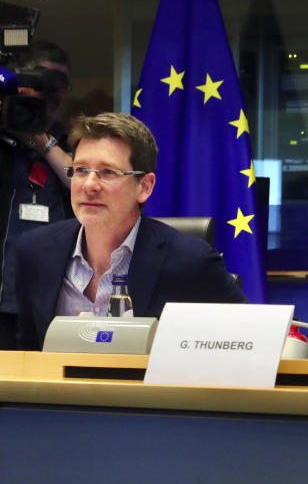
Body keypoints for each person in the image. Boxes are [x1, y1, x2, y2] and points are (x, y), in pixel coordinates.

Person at [15, 112, 247, 350]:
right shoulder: (36, 252)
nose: (89, 185)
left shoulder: (191, 262)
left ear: (144, 187)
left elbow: (253, 337)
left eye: (108, 172)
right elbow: (28, 352)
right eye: (81, 170)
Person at [0, 41, 75, 348]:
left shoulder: (66, 140)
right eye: (44, 82)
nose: (54, 92)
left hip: (48, 305)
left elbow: (80, 181)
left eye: (61, 85)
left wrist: (41, 142)